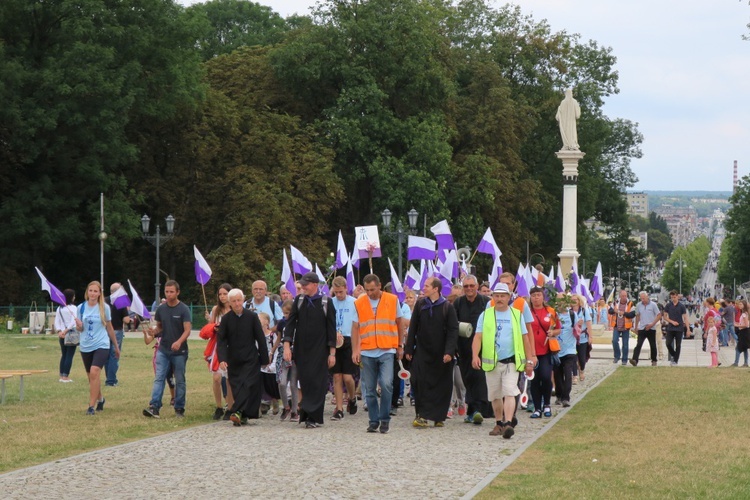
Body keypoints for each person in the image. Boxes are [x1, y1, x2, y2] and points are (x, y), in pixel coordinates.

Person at [471, 283, 534, 439]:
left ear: (508, 297)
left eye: (503, 296)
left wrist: (530, 359)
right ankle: (498, 422)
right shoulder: (485, 315)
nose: (499, 299)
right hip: (491, 362)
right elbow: (478, 336)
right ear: (493, 297)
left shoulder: (516, 315)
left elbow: (525, 338)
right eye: (497, 296)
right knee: (495, 395)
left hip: (511, 361)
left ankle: (507, 423)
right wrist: (475, 355)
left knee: (510, 391)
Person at [352, 273, 405, 434]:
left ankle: (385, 418)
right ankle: (374, 421)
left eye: (372, 290)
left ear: (379, 286)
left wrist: (400, 345)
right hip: (367, 351)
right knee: (369, 389)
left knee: (387, 384)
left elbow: (400, 322)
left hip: (387, 349)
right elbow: (355, 327)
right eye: (367, 290)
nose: (369, 293)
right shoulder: (359, 302)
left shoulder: (392, 300)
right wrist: (355, 349)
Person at [282, 272, 336, 429]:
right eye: (302, 284)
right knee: (305, 381)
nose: (303, 287)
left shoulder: (326, 302)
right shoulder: (298, 301)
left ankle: (313, 415)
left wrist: (332, 353)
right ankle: (306, 414)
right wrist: (287, 345)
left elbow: (331, 329)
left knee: (317, 381)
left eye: (306, 284)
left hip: (320, 349)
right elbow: (290, 324)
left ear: (315, 285)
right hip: (301, 348)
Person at [405, 277, 459, 428]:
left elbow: (452, 331)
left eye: (427, 285)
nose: (424, 288)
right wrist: (409, 348)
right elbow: (413, 326)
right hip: (422, 350)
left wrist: (449, 351)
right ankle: (421, 415)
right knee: (419, 381)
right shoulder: (420, 305)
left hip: (441, 353)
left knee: (441, 384)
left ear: (436, 289)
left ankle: (438, 416)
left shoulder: (447, 307)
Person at [217, 289, 270, 426]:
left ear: (243, 300)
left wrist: (264, 358)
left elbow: (260, 338)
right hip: (233, 359)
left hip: (250, 358)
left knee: (247, 385)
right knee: (237, 387)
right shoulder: (226, 319)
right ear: (229, 303)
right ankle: (242, 414)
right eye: (233, 301)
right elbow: (221, 341)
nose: (237, 304)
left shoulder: (252, 317)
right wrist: (222, 359)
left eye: (239, 300)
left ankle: (236, 411)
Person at [143, 280, 191, 418]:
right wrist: (154, 331)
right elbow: (160, 327)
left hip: (179, 352)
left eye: (171, 292)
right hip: (163, 350)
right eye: (167, 292)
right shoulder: (161, 309)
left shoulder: (184, 309)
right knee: (159, 378)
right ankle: (154, 407)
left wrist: (179, 342)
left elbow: (187, 330)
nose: (169, 294)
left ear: (177, 292)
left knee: (180, 380)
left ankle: (179, 408)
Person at [74, 281, 119, 416]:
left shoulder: (104, 307)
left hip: (101, 344)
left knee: (94, 372)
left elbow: (110, 327)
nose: (93, 293)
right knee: (91, 377)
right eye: (91, 291)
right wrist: (79, 325)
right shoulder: (80, 308)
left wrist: (116, 346)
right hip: (86, 345)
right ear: (87, 292)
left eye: (95, 291)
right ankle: (100, 399)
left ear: (100, 293)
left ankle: (91, 407)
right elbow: (80, 329)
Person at [452, 274, 491, 424]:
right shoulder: (458, 303)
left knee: (479, 378)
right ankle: (472, 410)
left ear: (477, 286)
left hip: (483, 348)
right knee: (467, 379)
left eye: (471, 286)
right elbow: (453, 325)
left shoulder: (486, 302)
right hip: (463, 348)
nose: (469, 289)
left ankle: (478, 410)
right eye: (466, 286)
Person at [528, 286, 559, 419]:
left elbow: (558, 329)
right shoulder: (527, 312)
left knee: (546, 377)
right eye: (533, 295)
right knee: (534, 380)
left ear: (543, 297)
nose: (536, 298)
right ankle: (536, 408)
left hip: (546, 350)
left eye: (538, 295)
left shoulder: (550, 311)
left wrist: (552, 333)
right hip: (531, 351)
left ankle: (546, 404)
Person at [330, 277, 359, 420]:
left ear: (346, 289)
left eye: (341, 292)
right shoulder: (330, 302)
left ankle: (352, 397)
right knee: (337, 376)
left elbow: (357, 324)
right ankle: (339, 408)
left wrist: (356, 347)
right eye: (336, 292)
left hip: (349, 339)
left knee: (348, 377)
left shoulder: (354, 302)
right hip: (334, 339)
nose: (339, 295)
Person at [206, 283, 233, 420]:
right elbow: (210, 326)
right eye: (220, 294)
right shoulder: (216, 310)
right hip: (218, 346)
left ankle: (230, 407)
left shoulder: (234, 309)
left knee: (228, 378)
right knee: (217, 378)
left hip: (231, 346)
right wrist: (213, 328)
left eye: (225, 294)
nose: (222, 297)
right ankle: (218, 406)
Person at [276, 300, 299, 421]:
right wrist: (271, 352)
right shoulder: (281, 323)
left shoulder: (299, 323)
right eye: (284, 313)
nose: (286, 316)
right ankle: (286, 406)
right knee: (282, 382)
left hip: (295, 355)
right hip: (283, 355)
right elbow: (279, 338)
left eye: (289, 313)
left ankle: (295, 410)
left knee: (294, 383)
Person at [104, 282, 131, 387]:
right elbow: (126, 320)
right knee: (115, 355)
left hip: (105, 331)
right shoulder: (120, 302)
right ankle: (111, 380)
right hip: (117, 331)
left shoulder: (104, 301)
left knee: (106, 356)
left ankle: (109, 377)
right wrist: (129, 316)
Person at [143, 320, 175, 406]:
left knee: (169, 378)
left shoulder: (170, 329)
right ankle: (157, 400)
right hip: (159, 356)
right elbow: (147, 341)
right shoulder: (157, 331)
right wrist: (145, 334)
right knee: (159, 378)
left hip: (170, 355)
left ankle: (173, 397)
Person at [258, 312, 281, 416]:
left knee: (271, 385)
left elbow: (276, 350)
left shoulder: (272, 335)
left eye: (260, 319)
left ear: (266, 321)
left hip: (271, 363)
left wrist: (273, 364)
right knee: (260, 385)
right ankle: (258, 406)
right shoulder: (257, 335)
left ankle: (275, 400)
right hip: (260, 364)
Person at [630, 291, 661, 367]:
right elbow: (637, 316)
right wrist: (636, 327)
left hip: (651, 327)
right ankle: (635, 360)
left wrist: (652, 324)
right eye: (641, 298)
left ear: (647, 297)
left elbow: (659, 315)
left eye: (644, 298)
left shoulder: (653, 305)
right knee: (639, 344)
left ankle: (654, 360)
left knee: (652, 345)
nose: (643, 300)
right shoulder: (639, 305)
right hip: (642, 328)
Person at [54, 289, 78, 383]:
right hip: (71, 332)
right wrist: (66, 330)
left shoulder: (59, 308)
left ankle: (61, 374)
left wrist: (60, 331)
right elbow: (74, 321)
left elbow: (57, 321)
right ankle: (65, 376)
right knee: (69, 355)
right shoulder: (73, 308)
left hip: (61, 334)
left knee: (64, 354)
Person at [662, 290, 689, 366]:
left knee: (678, 344)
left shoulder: (681, 306)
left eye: (674, 297)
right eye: (672, 297)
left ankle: (675, 360)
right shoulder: (668, 305)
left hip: (679, 328)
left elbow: (685, 317)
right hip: (671, 327)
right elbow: (665, 316)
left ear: (677, 296)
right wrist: (672, 321)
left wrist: (688, 329)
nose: (673, 299)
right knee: (668, 343)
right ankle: (674, 355)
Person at [608, 290, 635, 365]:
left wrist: (624, 313)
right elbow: (609, 311)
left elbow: (633, 314)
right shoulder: (615, 302)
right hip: (616, 326)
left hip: (626, 327)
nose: (624, 297)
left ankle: (624, 359)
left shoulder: (630, 303)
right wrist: (615, 311)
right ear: (620, 296)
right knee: (614, 341)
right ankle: (617, 356)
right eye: (623, 296)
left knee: (625, 344)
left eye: (625, 296)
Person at [732, 299, 749, 367]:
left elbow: (746, 325)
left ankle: (736, 362)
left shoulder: (744, 314)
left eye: (741, 304)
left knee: (738, 348)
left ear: (744, 305)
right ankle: (745, 363)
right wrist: (738, 323)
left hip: (744, 332)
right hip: (744, 331)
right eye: (739, 304)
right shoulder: (744, 313)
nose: (739, 305)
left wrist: (737, 325)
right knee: (744, 348)